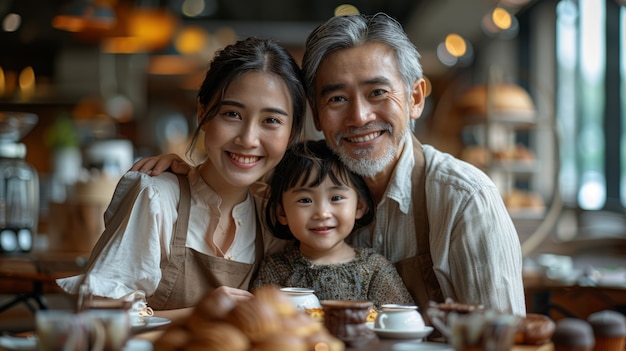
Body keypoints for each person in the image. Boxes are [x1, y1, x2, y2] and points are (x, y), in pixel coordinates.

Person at [132, 13, 526, 317]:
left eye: (377, 92)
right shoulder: (293, 180)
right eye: (337, 99)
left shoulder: (465, 199)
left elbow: (503, 338)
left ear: (416, 98)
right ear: (317, 116)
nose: (359, 116)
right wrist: (185, 173)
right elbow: (237, 172)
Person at [57, 37, 307, 321]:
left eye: (271, 121)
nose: (248, 139)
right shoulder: (156, 197)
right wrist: (198, 314)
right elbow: (98, 315)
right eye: (232, 114)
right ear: (203, 113)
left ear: (292, 132)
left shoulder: (275, 219)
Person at [252, 139, 415, 309]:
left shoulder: (374, 269)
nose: (322, 213)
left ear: (359, 206)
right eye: (305, 200)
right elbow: (259, 322)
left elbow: (402, 320)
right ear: (282, 213)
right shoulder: (276, 269)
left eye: (336, 198)